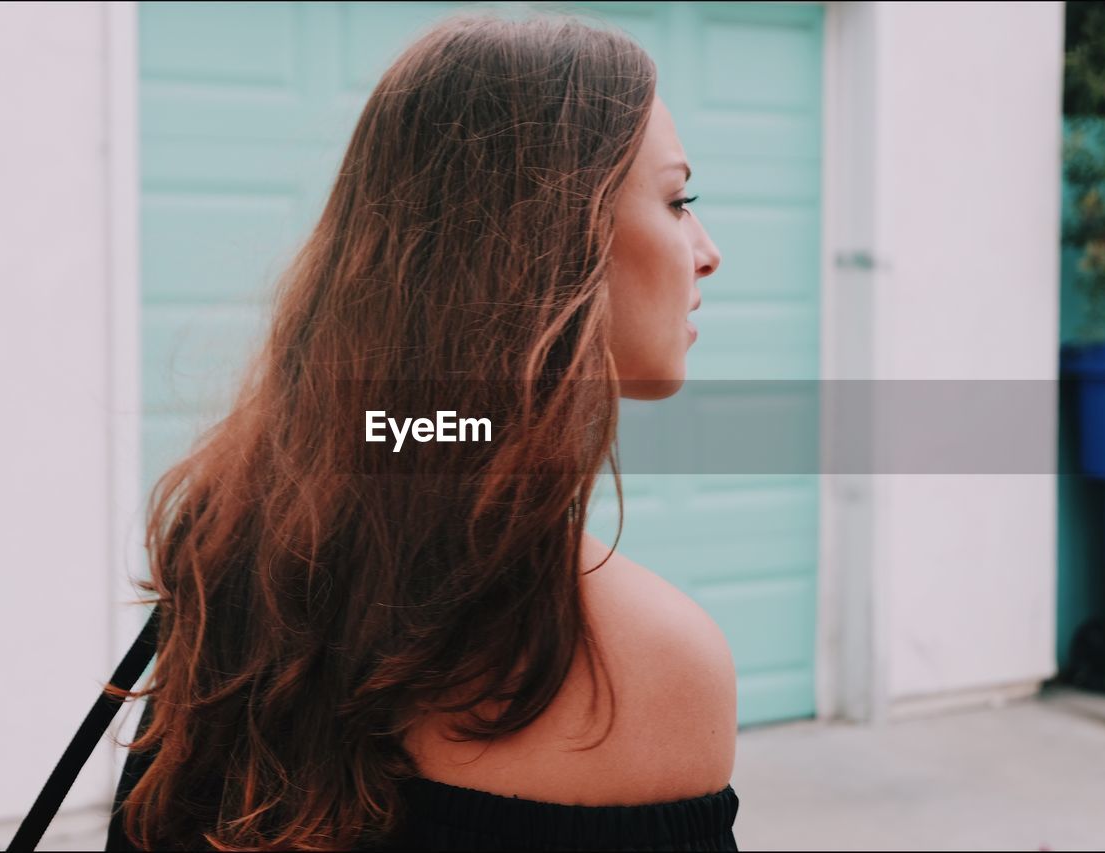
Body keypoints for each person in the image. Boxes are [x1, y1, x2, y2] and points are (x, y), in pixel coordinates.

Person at [107, 9, 734, 851]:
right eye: (678, 199)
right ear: (544, 246)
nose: (707, 251)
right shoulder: (645, 659)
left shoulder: (234, 542)